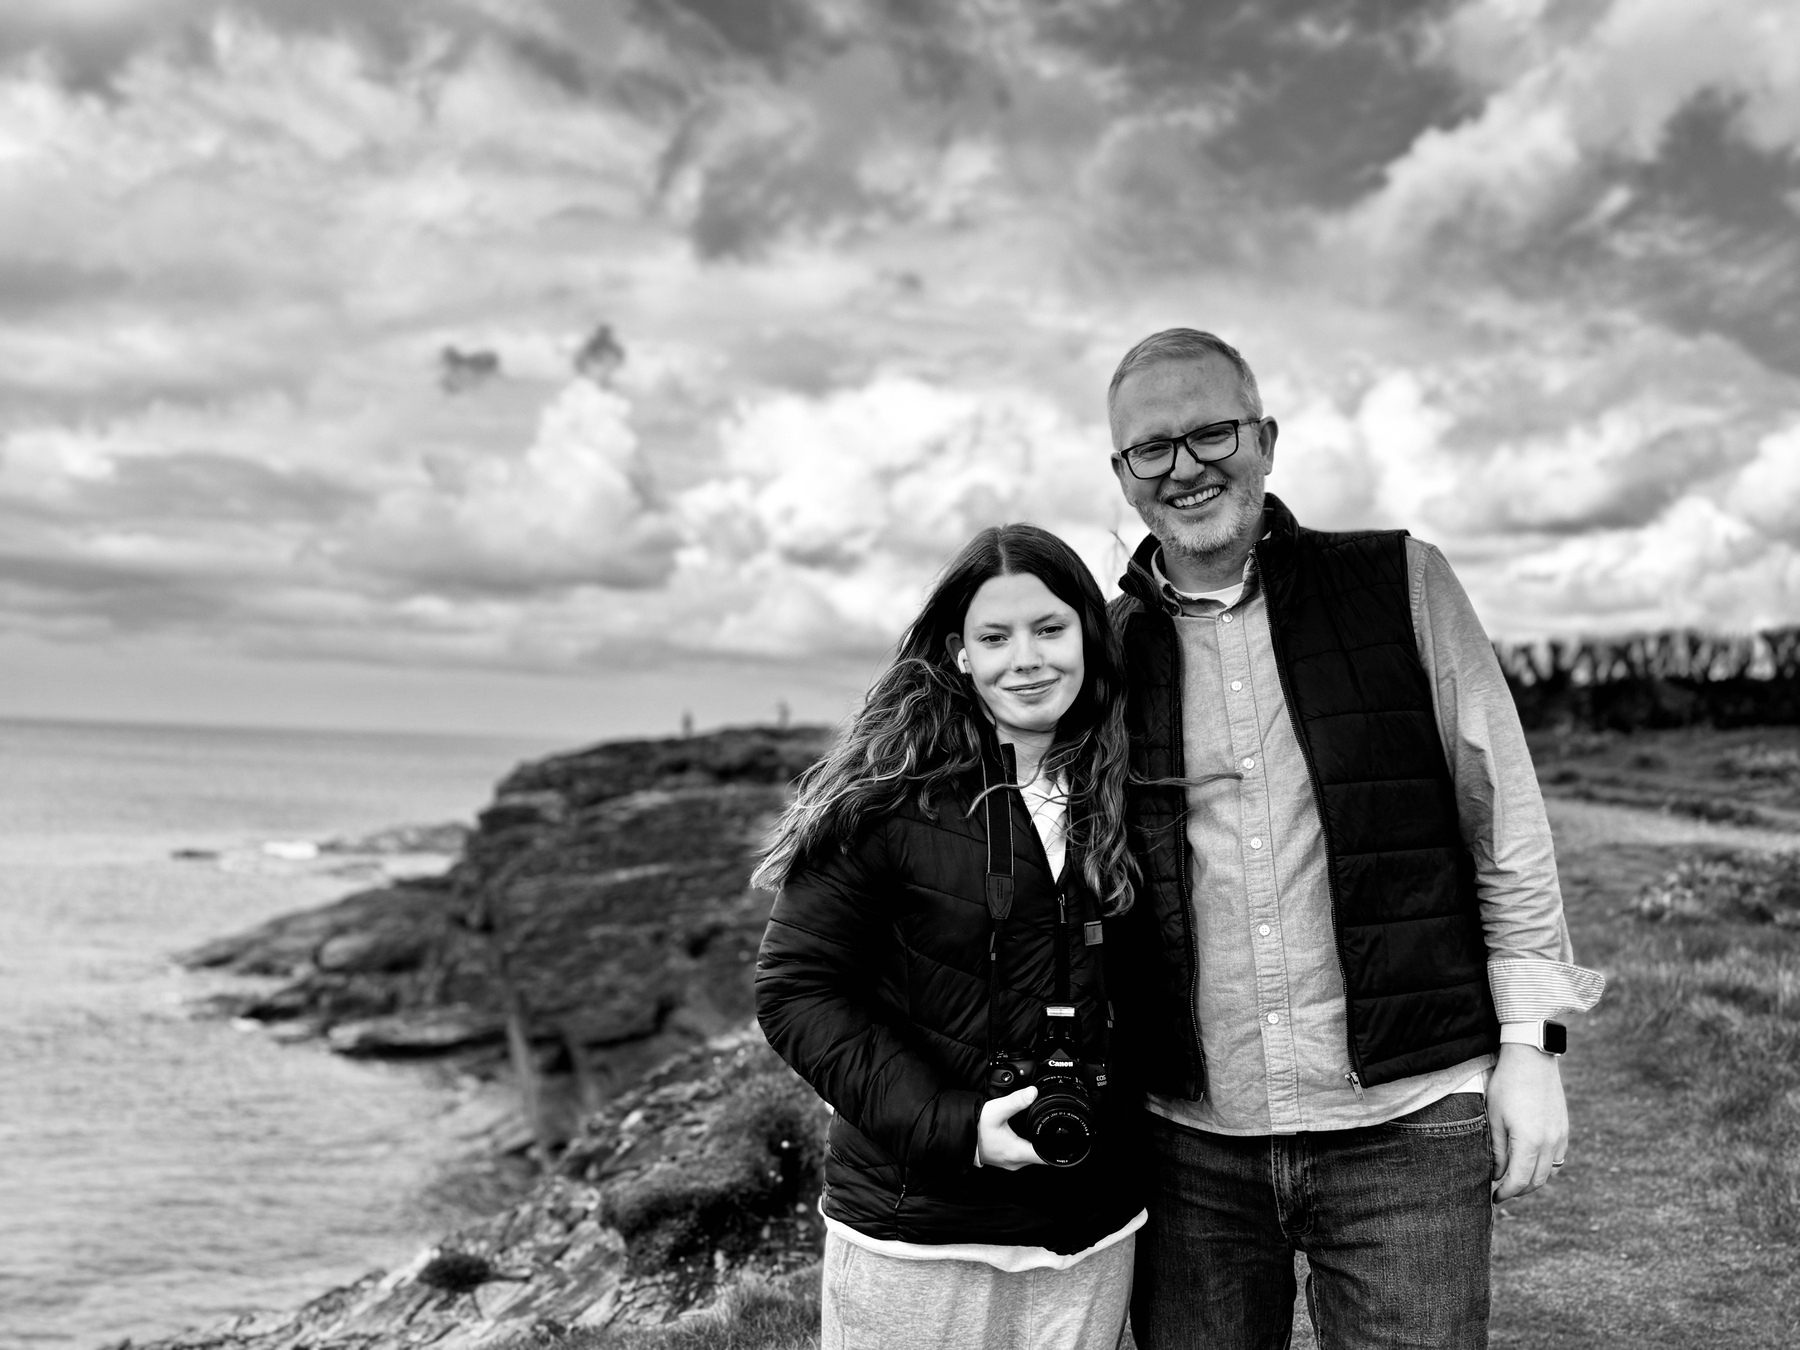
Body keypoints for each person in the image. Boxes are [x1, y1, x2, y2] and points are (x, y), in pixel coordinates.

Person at [1102, 329, 1606, 1349]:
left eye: (1212, 433)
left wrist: (1532, 1050)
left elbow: (1502, 822)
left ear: (1267, 439)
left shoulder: (1404, 583)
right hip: (1187, 1148)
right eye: (1152, 448)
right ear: (1122, 475)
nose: (1186, 467)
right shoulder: (1104, 649)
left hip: (1408, 1132)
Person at [754, 523, 1146, 1350]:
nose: (1026, 660)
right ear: (959, 653)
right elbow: (796, 990)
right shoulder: (887, 793)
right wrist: (954, 1127)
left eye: (1049, 629)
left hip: (1093, 1234)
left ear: (1088, 631)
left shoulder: (1132, 783)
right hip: (917, 1236)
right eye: (995, 637)